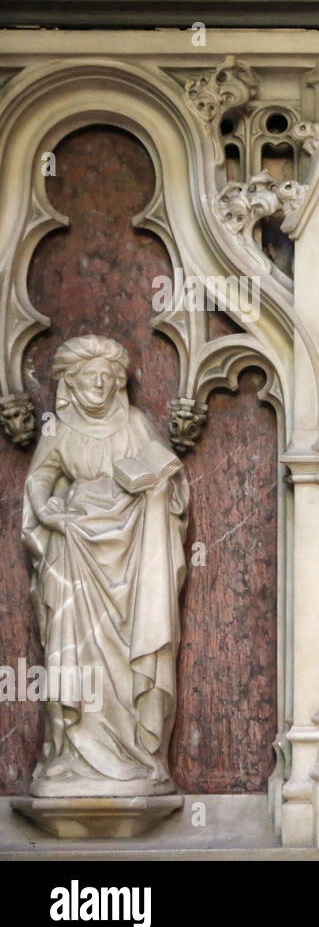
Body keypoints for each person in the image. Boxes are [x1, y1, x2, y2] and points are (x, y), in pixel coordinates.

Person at [22, 335, 189, 797]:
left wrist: (160, 489)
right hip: (74, 550)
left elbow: (166, 475)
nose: (99, 382)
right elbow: (40, 476)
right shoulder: (59, 428)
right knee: (71, 648)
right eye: (89, 374)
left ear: (118, 382)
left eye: (107, 375)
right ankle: (69, 754)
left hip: (132, 556)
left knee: (130, 651)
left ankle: (137, 752)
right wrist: (47, 508)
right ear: (70, 382)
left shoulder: (134, 423)